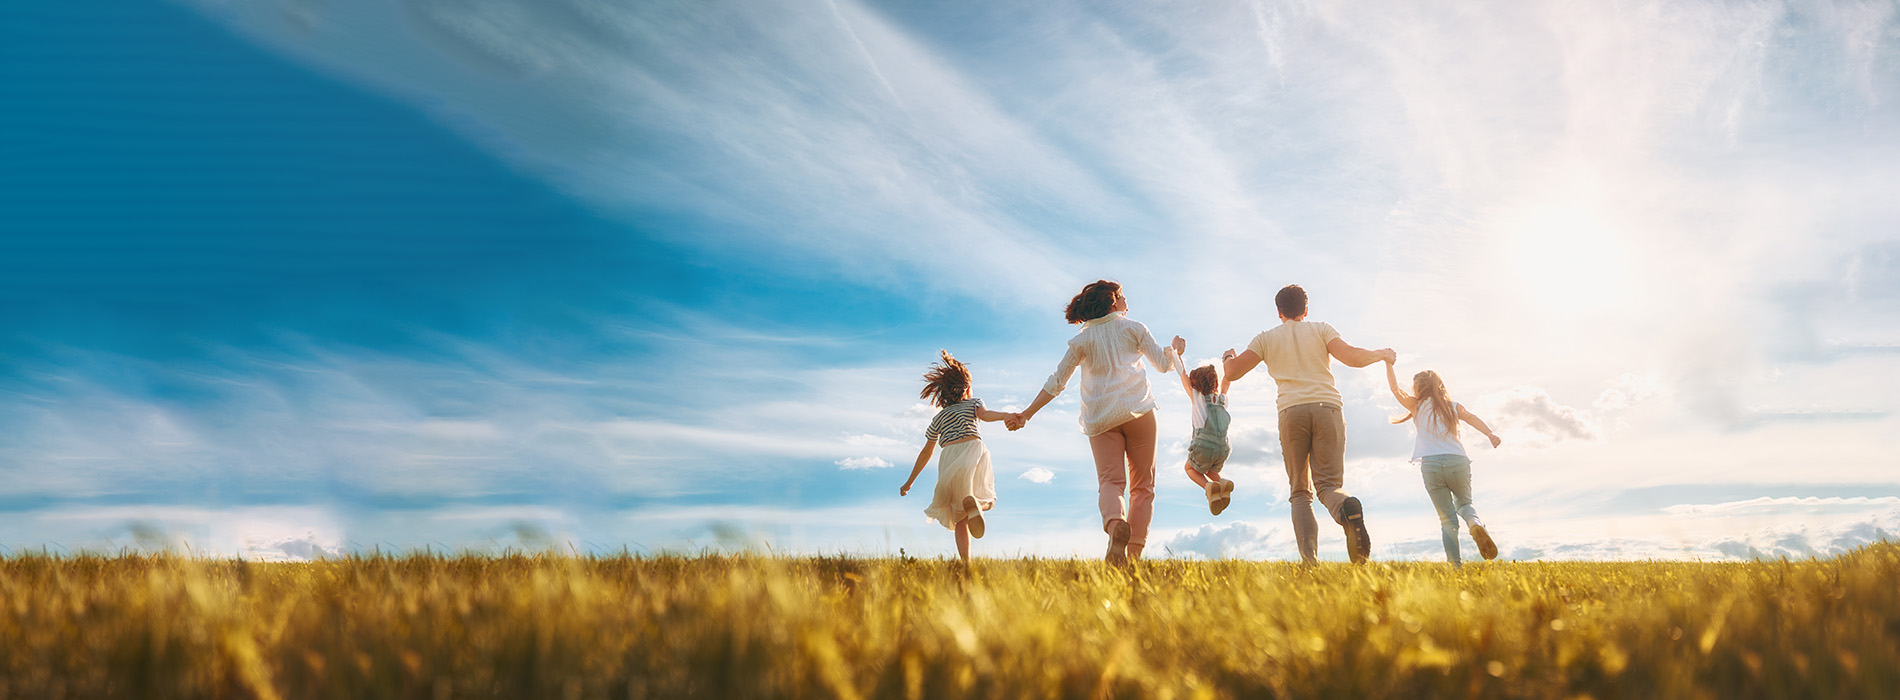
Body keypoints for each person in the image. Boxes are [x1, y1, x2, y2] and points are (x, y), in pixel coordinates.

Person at [1222, 284, 1394, 564]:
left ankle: (1310, 561)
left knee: (1300, 491)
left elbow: (1233, 372)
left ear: (1279, 312)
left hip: (1291, 413)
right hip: (1328, 408)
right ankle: (1344, 507)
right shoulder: (1322, 329)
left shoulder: (1266, 338)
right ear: (1305, 309)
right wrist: (1381, 354)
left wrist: (1228, 357)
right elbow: (1351, 356)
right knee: (1328, 485)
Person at [1015, 280, 1181, 566]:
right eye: (1122, 295)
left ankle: (1116, 525)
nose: (1127, 299)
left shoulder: (1081, 341)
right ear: (1112, 302)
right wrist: (1175, 349)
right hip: (1139, 411)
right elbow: (1164, 366)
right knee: (1143, 487)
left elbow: (1057, 382)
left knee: (1110, 482)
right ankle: (1133, 556)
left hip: (1101, 418)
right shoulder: (1135, 328)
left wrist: (1027, 413)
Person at [900, 350, 1020, 563]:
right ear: (966, 388)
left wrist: (909, 482)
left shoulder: (939, 417)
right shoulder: (974, 403)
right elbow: (986, 415)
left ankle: (965, 561)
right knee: (982, 495)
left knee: (958, 519)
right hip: (973, 451)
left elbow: (926, 452)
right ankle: (973, 504)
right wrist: (1006, 416)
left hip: (950, 459)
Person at [1385, 360, 1503, 566]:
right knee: (1465, 504)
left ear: (1418, 388)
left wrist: (1388, 363)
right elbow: (1471, 417)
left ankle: (1455, 566)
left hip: (1431, 466)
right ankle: (1474, 523)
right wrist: (1490, 434)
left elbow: (1395, 389)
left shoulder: (1416, 405)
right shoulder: (1453, 407)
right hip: (1457, 461)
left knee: (1447, 520)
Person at [1167, 339, 1236, 515]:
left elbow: (1181, 372)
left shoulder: (1197, 397)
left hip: (1204, 446)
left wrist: (1176, 352)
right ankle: (1222, 483)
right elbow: (1227, 382)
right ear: (1215, 384)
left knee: (1189, 468)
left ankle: (1208, 487)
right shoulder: (1222, 400)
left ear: (1194, 385)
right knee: (1210, 469)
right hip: (1223, 448)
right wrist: (1228, 358)